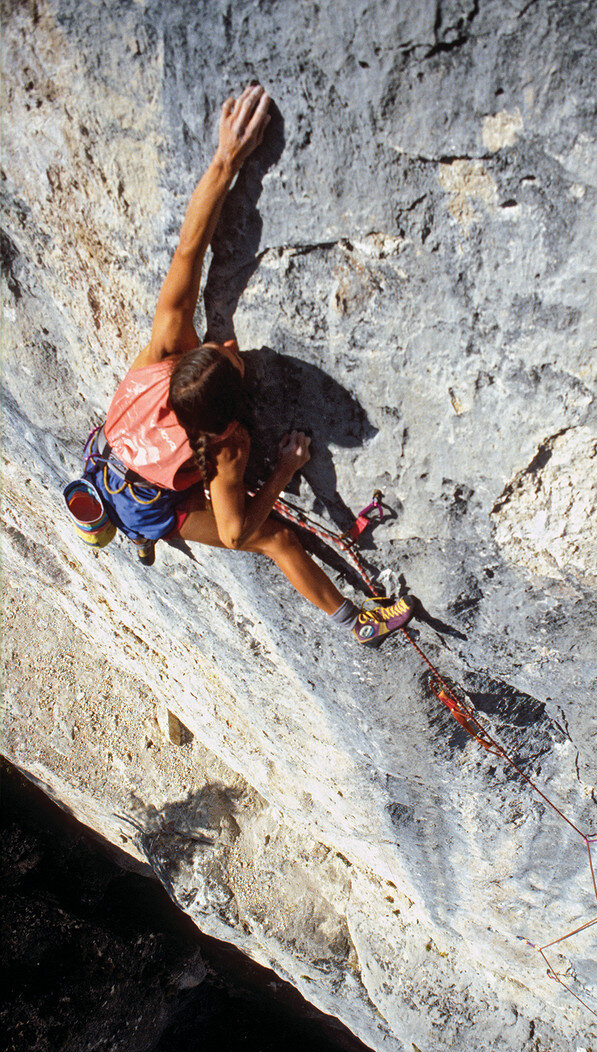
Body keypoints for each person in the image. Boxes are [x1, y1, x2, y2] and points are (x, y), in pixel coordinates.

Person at [89, 83, 413, 647]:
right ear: (224, 420)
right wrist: (286, 469)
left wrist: (227, 160)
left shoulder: (163, 350)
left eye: (219, 350)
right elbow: (238, 533)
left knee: (236, 520)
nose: (232, 347)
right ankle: (360, 624)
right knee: (277, 539)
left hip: (115, 461)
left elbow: (189, 250)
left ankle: (133, 516)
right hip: (152, 501)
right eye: (231, 361)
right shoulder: (227, 448)